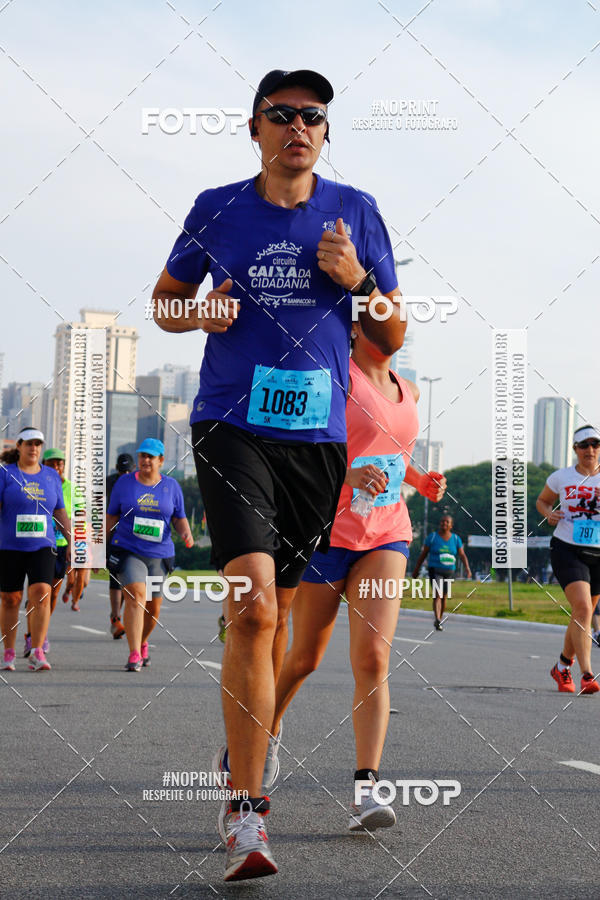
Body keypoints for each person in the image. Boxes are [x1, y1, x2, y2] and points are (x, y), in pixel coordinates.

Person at [152, 68, 405, 880]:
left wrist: (357, 281)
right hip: (232, 425)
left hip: (316, 443)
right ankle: (248, 816)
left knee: (284, 614)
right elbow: (165, 300)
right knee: (254, 608)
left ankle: (241, 764)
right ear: (255, 128)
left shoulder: (356, 212)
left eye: (314, 116)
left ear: (325, 134)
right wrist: (202, 311)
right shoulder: (217, 207)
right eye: (282, 114)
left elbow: (392, 333)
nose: (299, 125)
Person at [269, 318, 445, 831]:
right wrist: (345, 472)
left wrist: (420, 479)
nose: (399, 323)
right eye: (385, 314)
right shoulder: (331, 374)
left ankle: (366, 789)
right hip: (326, 531)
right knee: (304, 659)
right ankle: (266, 728)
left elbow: (393, 454)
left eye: (402, 315)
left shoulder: (407, 389)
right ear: (359, 326)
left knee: (373, 656)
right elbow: (298, 450)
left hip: (387, 531)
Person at [106, 439, 193, 671]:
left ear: (161, 461)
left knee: (154, 607)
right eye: (142, 456)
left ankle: (142, 641)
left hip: (159, 553)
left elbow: (179, 516)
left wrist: (185, 532)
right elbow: (111, 516)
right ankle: (134, 653)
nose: (145, 460)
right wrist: (95, 548)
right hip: (129, 549)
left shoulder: (171, 486)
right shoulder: (124, 484)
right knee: (136, 595)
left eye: (151, 457)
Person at [536, 424, 600, 694]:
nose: (591, 450)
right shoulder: (561, 477)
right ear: (575, 449)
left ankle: (562, 667)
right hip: (567, 549)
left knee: (580, 616)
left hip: (598, 552)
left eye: (595, 444)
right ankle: (587, 675)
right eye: (584, 445)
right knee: (584, 610)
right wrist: (548, 514)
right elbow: (542, 501)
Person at [0, 428, 70, 671]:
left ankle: (37, 650)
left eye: (38, 444)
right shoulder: (5, 474)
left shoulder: (51, 476)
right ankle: (8, 651)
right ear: (19, 446)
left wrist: (72, 540)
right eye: (29, 443)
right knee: (11, 598)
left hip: (43, 544)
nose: (34, 448)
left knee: (41, 591)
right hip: (9, 545)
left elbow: (60, 511)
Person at [21, 448, 71, 657]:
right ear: (45, 464)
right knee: (40, 591)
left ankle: (40, 631)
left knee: (52, 594)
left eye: (60, 464)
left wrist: (76, 545)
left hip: (61, 545)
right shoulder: (37, 481)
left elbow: (76, 516)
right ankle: (33, 636)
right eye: (52, 463)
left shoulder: (71, 488)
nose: (57, 467)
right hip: (39, 542)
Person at [412, 514, 471, 630]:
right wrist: (416, 569)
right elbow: (423, 555)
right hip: (435, 569)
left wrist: (467, 568)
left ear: (451, 525)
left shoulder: (455, 539)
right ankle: (437, 618)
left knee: (444, 596)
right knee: (437, 594)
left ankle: (440, 619)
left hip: (449, 571)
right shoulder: (432, 537)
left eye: (447, 522)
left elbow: (462, 555)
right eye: (442, 521)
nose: (444, 523)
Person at [106, 453, 134, 637]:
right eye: (121, 470)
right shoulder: (109, 482)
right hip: (113, 535)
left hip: (132, 536)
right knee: (115, 575)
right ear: (117, 469)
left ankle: (119, 615)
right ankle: (116, 618)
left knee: (129, 578)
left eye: (128, 470)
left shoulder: (137, 482)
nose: (124, 474)